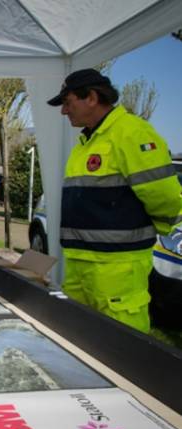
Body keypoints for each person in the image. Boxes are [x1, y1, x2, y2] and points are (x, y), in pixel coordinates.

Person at [47, 68, 182, 333]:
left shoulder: (131, 133)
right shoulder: (85, 143)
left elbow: (165, 198)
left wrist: (146, 231)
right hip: (79, 264)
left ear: (92, 98)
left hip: (117, 269)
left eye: (67, 102)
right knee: (78, 341)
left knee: (122, 350)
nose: (64, 111)